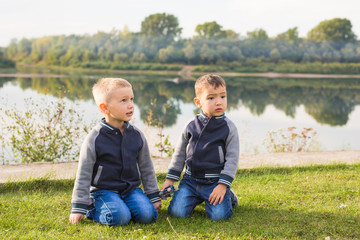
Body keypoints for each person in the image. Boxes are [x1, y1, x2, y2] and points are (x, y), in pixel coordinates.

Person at [69, 78, 161, 226]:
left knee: (148, 216)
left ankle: (124, 205)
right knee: (119, 218)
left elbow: (146, 167)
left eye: (132, 99)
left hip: (131, 190)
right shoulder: (94, 138)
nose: (131, 105)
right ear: (105, 108)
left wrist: (153, 196)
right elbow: (84, 173)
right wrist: (79, 206)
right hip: (104, 191)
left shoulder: (137, 135)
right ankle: (92, 209)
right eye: (123, 100)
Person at [160, 74, 239, 221]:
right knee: (177, 213)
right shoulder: (190, 125)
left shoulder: (229, 127)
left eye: (223, 96)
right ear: (198, 102)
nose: (218, 102)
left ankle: (227, 194)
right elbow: (179, 154)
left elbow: (232, 159)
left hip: (215, 182)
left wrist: (223, 184)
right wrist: (171, 179)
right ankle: (195, 197)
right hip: (190, 181)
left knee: (219, 217)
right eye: (211, 98)